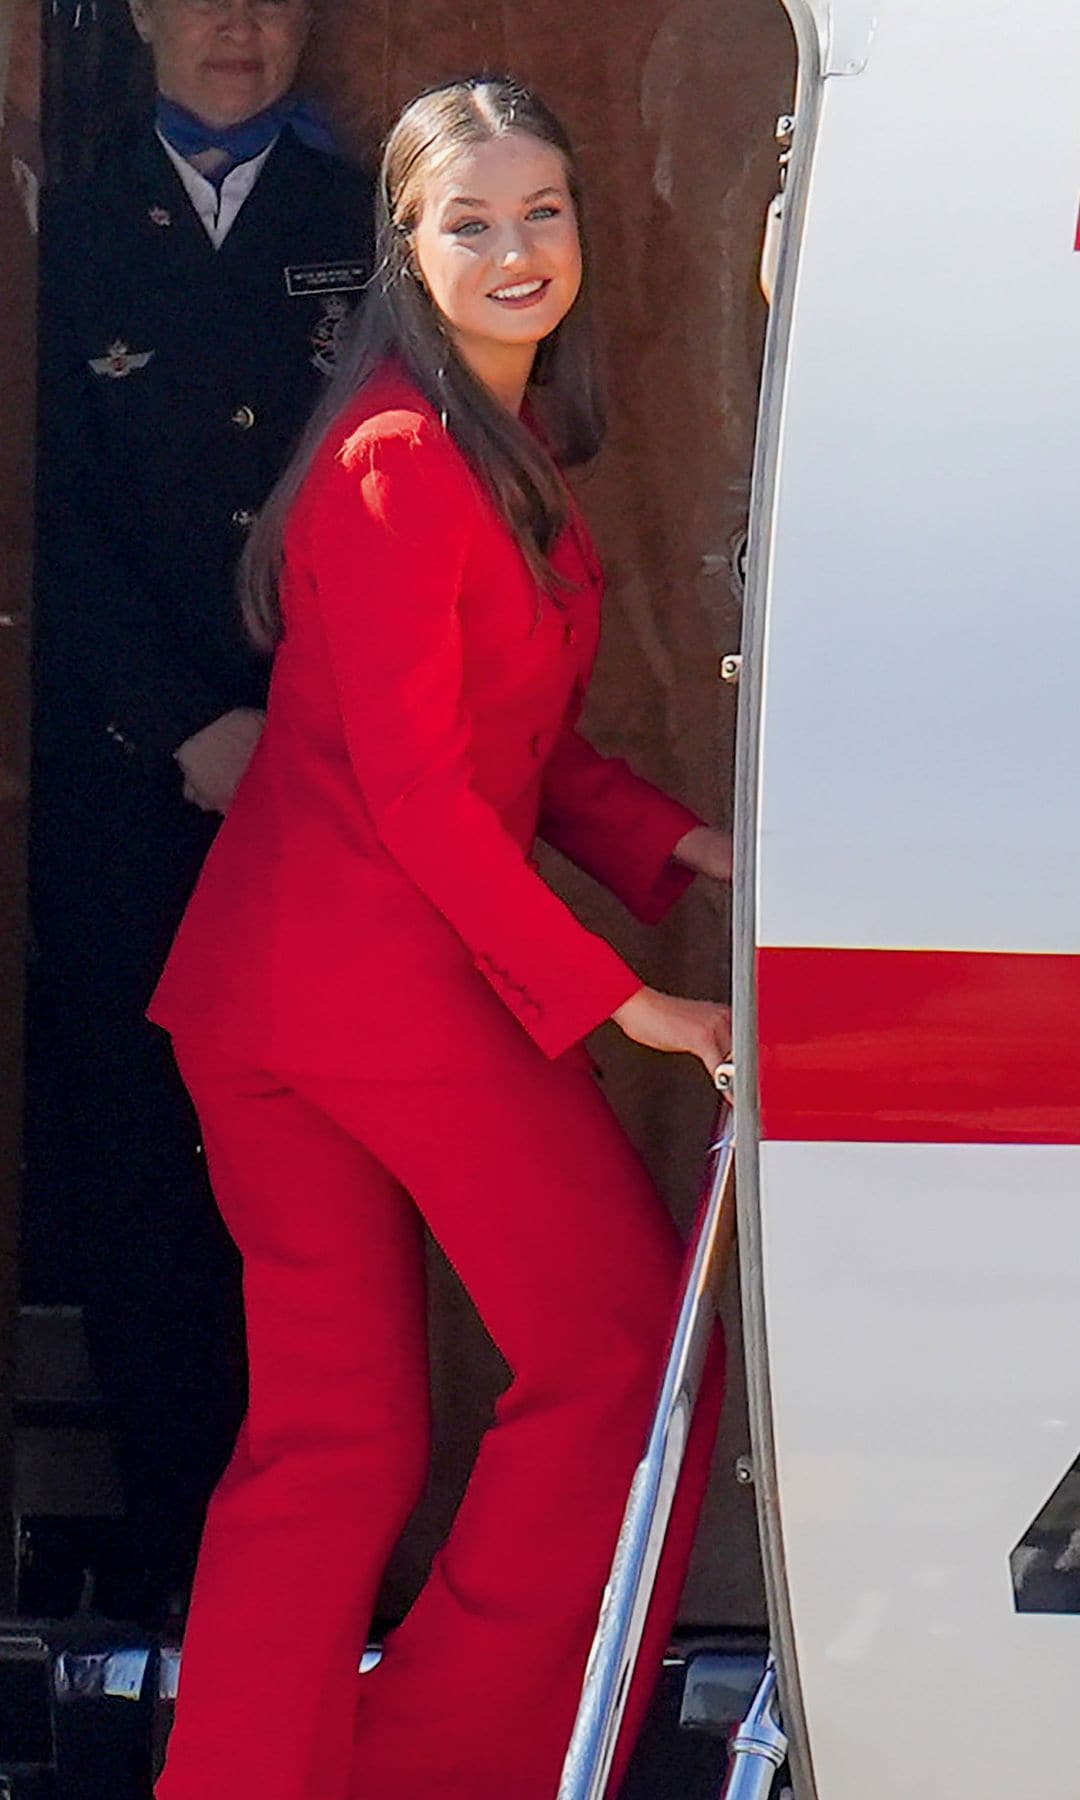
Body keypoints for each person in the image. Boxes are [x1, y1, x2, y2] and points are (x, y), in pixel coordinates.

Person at [148, 74, 732, 1800]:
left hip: (274, 996)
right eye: (469, 220)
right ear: (406, 250)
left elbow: (521, 758)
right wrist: (626, 1003)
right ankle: (444, 1764)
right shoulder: (405, 461)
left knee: (334, 1444)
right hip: (372, 990)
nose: (514, 248)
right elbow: (420, 802)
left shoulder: (493, 444)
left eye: (541, 212)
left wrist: (698, 847)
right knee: (619, 1351)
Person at [27, 0, 375, 1622]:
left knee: (313, 1175)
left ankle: (327, 1586)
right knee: (146, 1171)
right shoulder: (75, 231)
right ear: (143, 15)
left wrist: (295, 728)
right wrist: (182, 724)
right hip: (131, 792)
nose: (239, 26)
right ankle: (184, 1580)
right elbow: (56, 521)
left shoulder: (370, 220)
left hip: (326, 785)